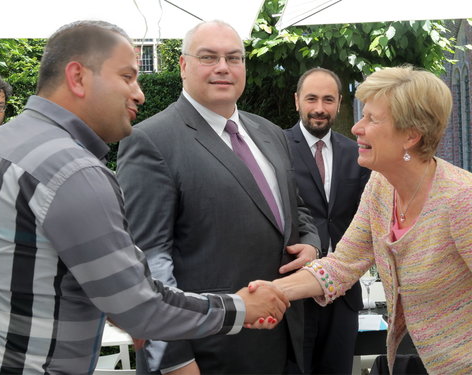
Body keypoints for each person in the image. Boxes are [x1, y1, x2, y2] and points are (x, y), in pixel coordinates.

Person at [0, 20, 290, 374]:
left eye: (235, 57)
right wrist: (240, 307)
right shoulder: (73, 171)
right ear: (78, 77)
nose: (139, 93)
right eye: (127, 77)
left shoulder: (3, 144)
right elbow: (138, 306)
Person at [116, 20, 321, 375]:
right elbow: (148, 262)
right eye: (209, 57)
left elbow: (295, 209)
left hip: (284, 344)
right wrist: (175, 360)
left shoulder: (270, 133)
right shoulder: (151, 141)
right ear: (183, 66)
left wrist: (312, 244)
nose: (223, 67)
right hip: (209, 355)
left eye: (234, 58)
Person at [251, 65, 472, 375]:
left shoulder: (462, 199)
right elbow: (342, 265)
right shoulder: (381, 187)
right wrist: (274, 291)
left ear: (411, 135)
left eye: (372, 119)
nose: (356, 127)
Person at [284, 67, 370, 374]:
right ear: (297, 101)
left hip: (344, 297)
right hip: (295, 296)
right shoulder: (276, 150)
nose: (319, 108)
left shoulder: (357, 153)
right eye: (311, 98)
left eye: (328, 99)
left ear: (339, 103)